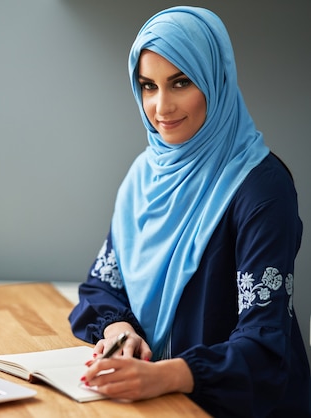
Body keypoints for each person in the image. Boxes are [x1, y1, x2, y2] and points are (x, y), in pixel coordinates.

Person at [68, 6, 310, 417]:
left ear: (216, 81)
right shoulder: (144, 175)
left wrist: (166, 375)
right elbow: (103, 286)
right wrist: (120, 331)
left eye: (180, 82)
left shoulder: (262, 188)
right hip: (152, 399)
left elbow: (264, 344)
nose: (161, 106)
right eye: (148, 86)